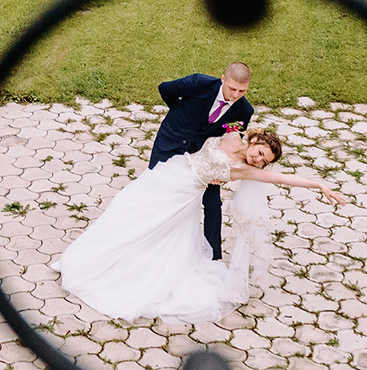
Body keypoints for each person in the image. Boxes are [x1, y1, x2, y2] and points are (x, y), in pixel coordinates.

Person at [57, 128, 348, 323]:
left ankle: (118, 271)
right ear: (256, 141)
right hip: (170, 173)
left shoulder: (244, 169)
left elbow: (283, 179)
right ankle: (95, 257)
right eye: (260, 153)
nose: (258, 161)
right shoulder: (233, 134)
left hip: (183, 195)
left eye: (263, 162)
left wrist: (318, 184)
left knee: (146, 229)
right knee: (125, 210)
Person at [149, 61, 255, 259]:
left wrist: (223, 170)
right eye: (232, 88)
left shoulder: (244, 111)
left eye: (242, 91)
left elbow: (232, 139)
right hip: (170, 144)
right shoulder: (198, 83)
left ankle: (214, 257)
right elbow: (165, 89)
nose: (235, 95)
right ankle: (152, 242)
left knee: (213, 204)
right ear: (223, 79)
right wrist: (179, 112)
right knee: (157, 193)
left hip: (206, 157)